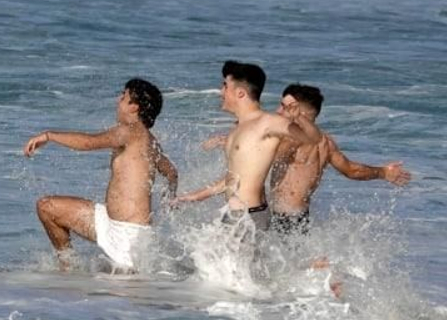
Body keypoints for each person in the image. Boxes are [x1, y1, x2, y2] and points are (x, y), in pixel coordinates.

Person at [24, 79, 178, 272]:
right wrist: (170, 196)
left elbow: (89, 142)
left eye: (123, 97)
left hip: (127, 235)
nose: (118, 101)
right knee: (47, 207)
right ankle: (68, 267)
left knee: (125, 294)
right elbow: (172, 172)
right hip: (110, 222)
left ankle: (71, 268)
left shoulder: (130, 131)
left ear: (134, 107)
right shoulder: (149, 140)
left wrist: (48, 136)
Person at [174, 61, 316, 243]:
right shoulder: (237, 129)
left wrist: (299, 119)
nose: (221, 91)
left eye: (225, 86)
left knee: (230, 269)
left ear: (240, 93)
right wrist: (196, 196)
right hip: (235, 214)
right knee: (221, 267)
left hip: (249, 216)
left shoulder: (268, 122)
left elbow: (312, 138)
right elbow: (234, 179)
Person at [266, 84, 411, 235]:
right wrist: (383, 172)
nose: (278, 111)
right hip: (300, 217)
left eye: (284, 107)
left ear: (299, 112)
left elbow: (268, 157)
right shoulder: (325, 142)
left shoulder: (292, 138)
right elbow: (351, 170)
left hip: (282, 218)